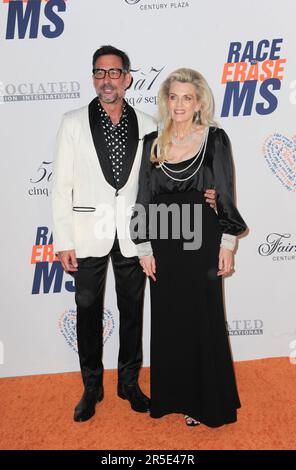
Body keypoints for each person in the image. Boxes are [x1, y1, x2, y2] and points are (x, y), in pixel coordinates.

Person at [52, 46, 216, 423]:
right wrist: (64, 241)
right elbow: (60, 187)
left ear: (127, 78)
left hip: (135, 234)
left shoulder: (147, 125)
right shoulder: (72, 121)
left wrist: (208, 193)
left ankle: (129, 382)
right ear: (93, 77)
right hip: (86, 233)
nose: (106, 80)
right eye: (99, 72)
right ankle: (91, 387)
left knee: (132, 313)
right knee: (87, 312)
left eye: (114, 73)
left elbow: (164, 179)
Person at [131, 68, 247, 427]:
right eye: (173, 96)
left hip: (203, 238)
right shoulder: (153, 141)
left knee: (202, 316)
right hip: (164, 242)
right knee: (169, 320)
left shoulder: (215, 139)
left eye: (187, 97)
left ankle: (205, 401)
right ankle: (173, 396)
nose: (179, 104)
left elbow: (224, 191)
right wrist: (143, 247)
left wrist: (227, 241)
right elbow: (144, 198)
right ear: (166, 101)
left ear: (198, 103)